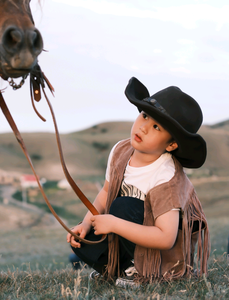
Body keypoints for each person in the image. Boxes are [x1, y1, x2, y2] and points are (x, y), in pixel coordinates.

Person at [66, 77, 210, 286]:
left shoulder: (166, 176)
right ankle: (122, 269)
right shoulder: (120, 151)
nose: (143, 127)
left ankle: (145, 274)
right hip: (128, 234)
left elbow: (165, 238)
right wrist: (86, 223)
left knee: (124, 205)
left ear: (171, 145)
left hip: (162, 255)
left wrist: (114, 223)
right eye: (144, 116)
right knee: (83, 240)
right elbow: (106, 193)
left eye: (156, 127)